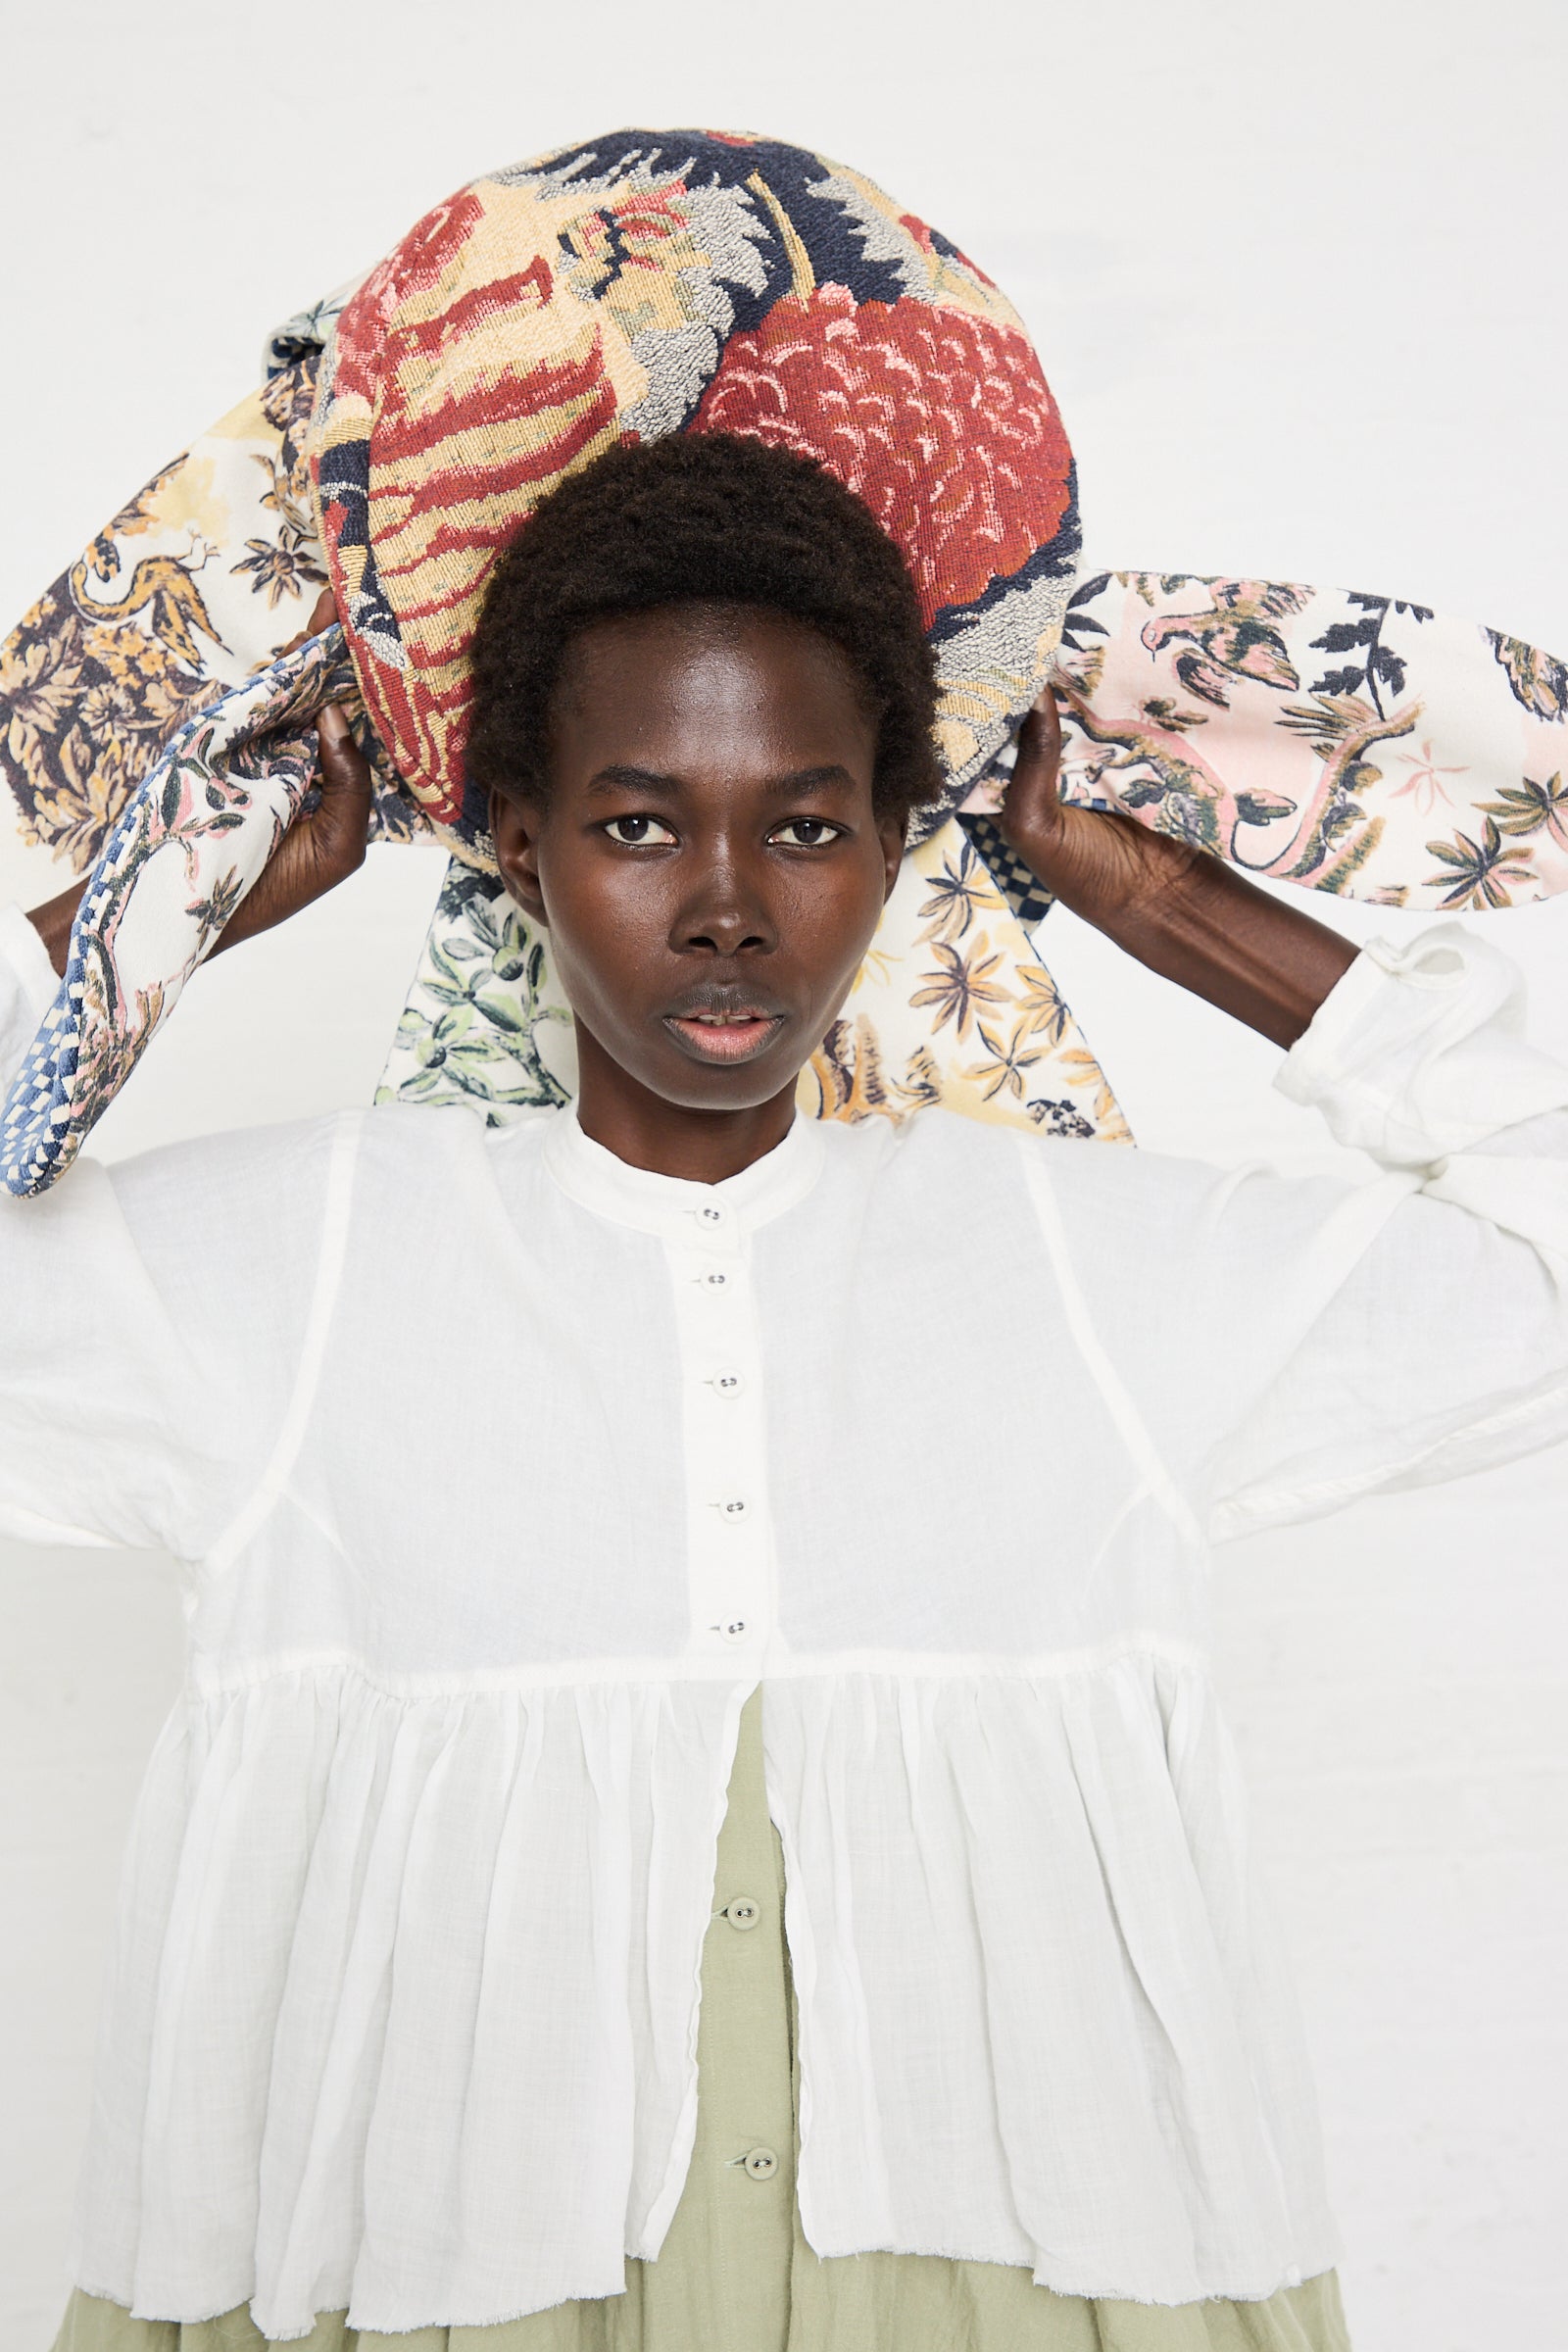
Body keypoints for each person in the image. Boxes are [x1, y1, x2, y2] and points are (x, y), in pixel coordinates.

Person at [11, 432, 1566, 2352]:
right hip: (434, 2288)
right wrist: (151, 927)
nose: (731, 904)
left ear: (898, 848)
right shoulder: (292, 1269)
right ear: (516, 840)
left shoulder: (1086, 1269)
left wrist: (1174, 911)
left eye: (808, 826)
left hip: (1041, 2290)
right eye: (640, 822)